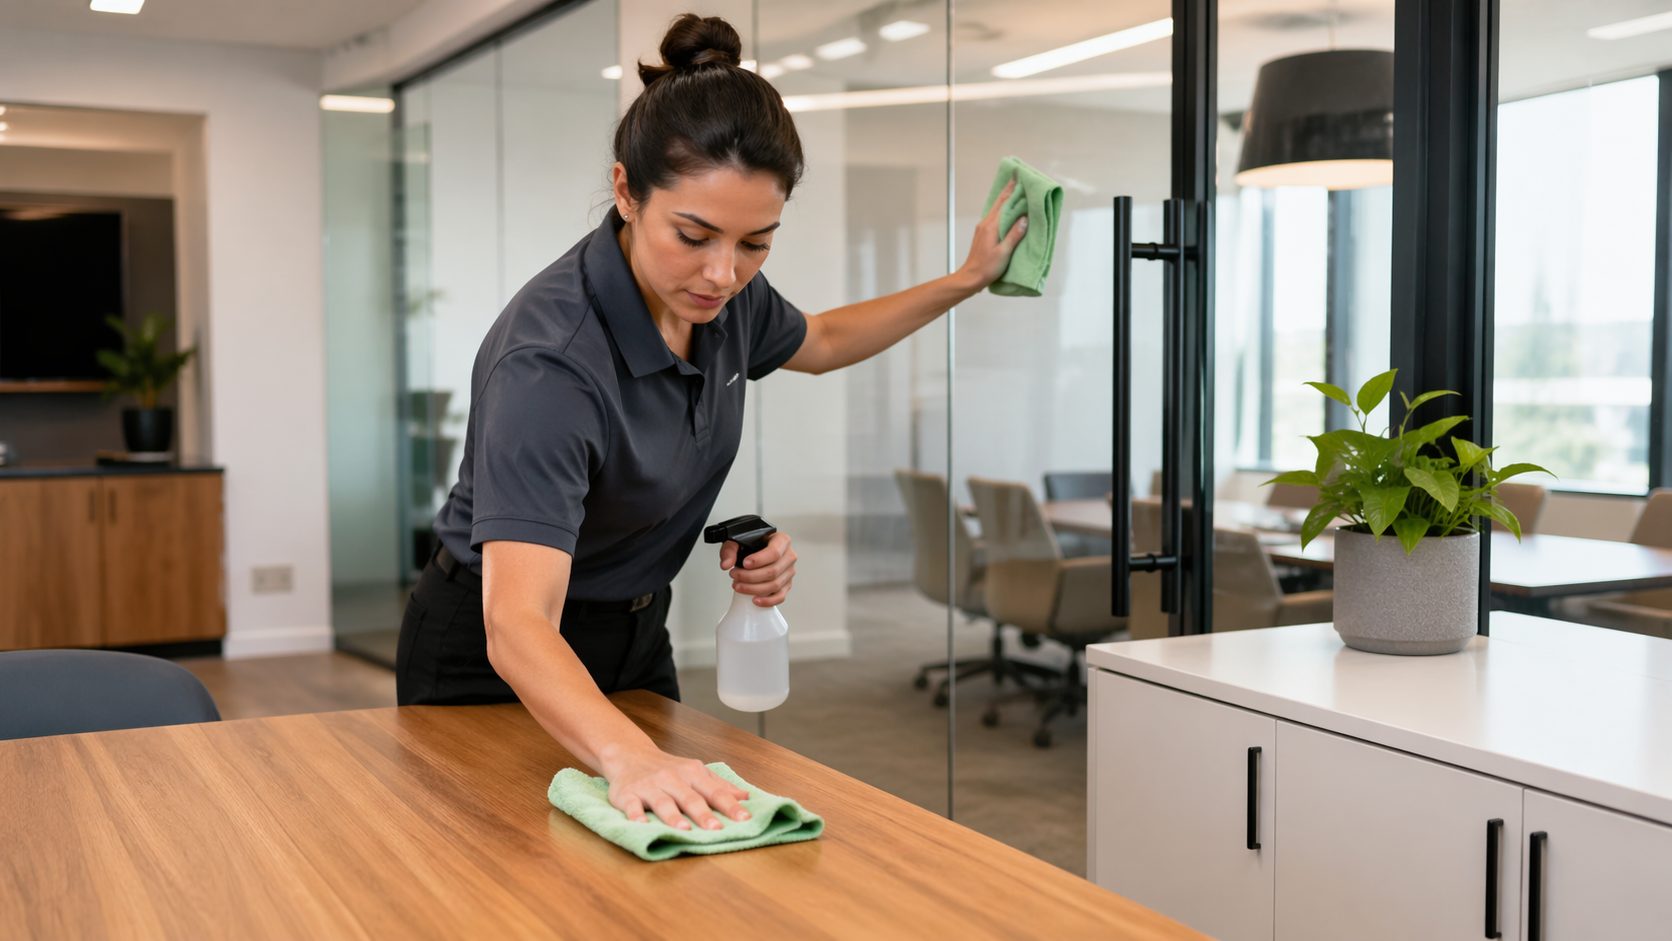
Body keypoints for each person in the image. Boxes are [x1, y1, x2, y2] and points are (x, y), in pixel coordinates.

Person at [396, 13, 1027, 834]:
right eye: (692, 235)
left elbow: (826, 338)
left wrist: (966, 279)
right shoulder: (551, 364)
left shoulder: (722, 301)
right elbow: (517, 624)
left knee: (666, 856)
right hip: (491, 657)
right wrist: (629, 756)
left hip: (633, 633)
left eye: (755, 243)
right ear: (625, 191)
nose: (723, 273)